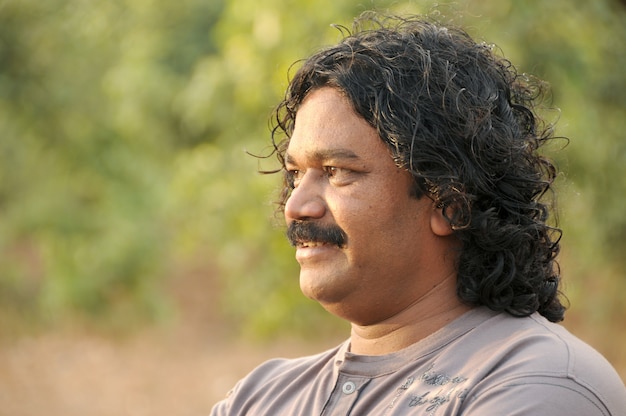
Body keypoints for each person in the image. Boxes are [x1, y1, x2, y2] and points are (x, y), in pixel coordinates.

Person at [211, 12, 626, 415]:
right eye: (296, 173)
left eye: (337, 172)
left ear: (451, 202)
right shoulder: (260, 398)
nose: (297, 205)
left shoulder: (538, 384)